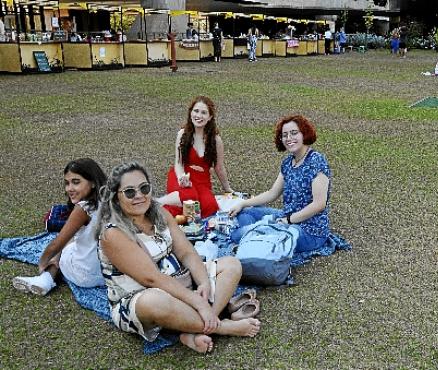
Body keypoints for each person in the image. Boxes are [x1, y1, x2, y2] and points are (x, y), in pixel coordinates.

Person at [95, 162, 260, 353]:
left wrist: (204, 282)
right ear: (116, 197)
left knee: (231, 265)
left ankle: (203, 324)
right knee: (153, 302)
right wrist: (198, 301)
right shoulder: (112, 234)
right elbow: (151, 278)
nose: (139, 195)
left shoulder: (159, 212)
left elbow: (186, 252)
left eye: (144, 188)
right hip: (143, 295)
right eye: (130, 192)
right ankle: (222, 326)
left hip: (179, 281)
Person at [229, 114, 331, 253]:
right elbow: (272, 193)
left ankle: (251, 239)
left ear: (304, 134)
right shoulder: (288, 163)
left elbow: (319, 205)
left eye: (294, 133)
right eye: (285, 135)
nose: (289, 138)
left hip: (310, 230)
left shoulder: (317, 161)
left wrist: (288, 220)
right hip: (286, 217)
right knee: (246, 213)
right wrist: (243, 203)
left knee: (237, 235)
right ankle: (253, 239)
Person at [12, 158, 107, 296]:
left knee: (66, 243)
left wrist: (43, 262)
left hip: (86, 275)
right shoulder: (112, 201)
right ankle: (46, 279)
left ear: (92, 182)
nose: (69, 188)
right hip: (108, 274)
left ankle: (46, 278)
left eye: (76, 182)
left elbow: (57, 244)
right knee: (76, 238)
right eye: (67, 183)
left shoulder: (84, 208)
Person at [157, 96, 233, 218]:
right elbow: (178, 163)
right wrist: (182, 178)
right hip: (182, 176)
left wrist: (228, 189)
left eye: (204, 113)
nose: (199, 115)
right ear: (191, 112)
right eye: (196, 111)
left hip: (202, 181)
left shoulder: (216, 140)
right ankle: (156, 203)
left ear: (210, 117)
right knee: (190, 198)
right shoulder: (182, 134)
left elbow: (219, 167)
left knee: (210, 207)